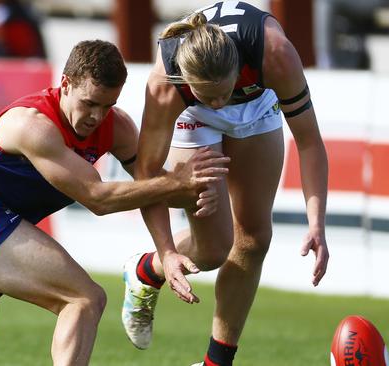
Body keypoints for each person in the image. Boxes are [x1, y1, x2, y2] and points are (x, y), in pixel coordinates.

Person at [0, 40, 230, 366]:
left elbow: (150, 185)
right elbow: (98, 199)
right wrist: (178, 184)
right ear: (66, 84)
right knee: (84, 299)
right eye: (89, 103)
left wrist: (178, 218)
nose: (96, 116)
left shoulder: (116, 128)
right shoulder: (33, 125)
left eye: (107, 106)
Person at [120, 2, 330, 365]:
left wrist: (317, 222)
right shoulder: (166, 85)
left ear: (238, 67)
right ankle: (146, 270)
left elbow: (310, 141)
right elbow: (147, 176)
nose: (218, 105)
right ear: (187, 82)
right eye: (208, 95)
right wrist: (167, 251)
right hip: (192, 117)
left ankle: (216, 363)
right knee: (215, 249)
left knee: (254, 238)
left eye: (222, 92)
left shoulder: (275, 55)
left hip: (256, 101)